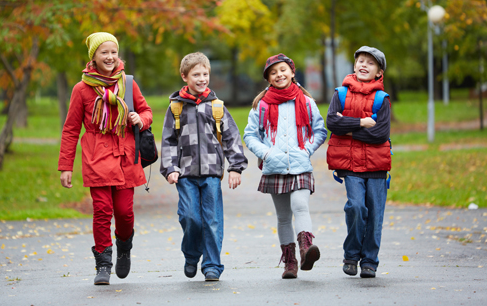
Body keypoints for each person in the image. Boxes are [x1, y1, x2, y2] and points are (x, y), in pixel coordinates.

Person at [58, 32, 152, 285]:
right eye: (104, 52)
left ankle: (124, 246)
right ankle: (103, 263)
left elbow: (146, 111)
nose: (110, 57)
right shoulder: (82, 89)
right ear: (94, 57)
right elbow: (70, 129)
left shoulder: (128, 83)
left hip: (125, 154)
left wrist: (140, 119)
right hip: (96, 155)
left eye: (113, 52)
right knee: (102, 210)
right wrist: (66, 166)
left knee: (124, 212)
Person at [160, 52, 248, 282]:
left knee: (212, 220)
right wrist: (170, 168)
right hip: (185, 175)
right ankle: (191, 254)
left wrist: (235, 167)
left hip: (211, 174)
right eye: (196, 74)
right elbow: (168, 140)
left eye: (205, 74)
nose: (201, 78)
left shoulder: (216, 107)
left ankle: (212, 265)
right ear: (184, 77)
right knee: (190, 217)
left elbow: (232, 137)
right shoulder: (176, 108)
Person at [243, 53, 327, 279]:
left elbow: (320, 131)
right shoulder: (261, 105)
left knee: (300, 205)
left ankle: (306, 248)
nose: (279, 74)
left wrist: (306, 150)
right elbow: (250, 135)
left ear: (292, 72)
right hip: (274, 167)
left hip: (300, 165)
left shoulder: (306, 101)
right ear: (268, 78)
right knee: (282, 216)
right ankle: (290, 262)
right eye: (273, 72)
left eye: (282, 70)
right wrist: (266, 153)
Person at [326, 46, 391, 279]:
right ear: (354, 66)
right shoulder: (340, 94)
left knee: (374, 215)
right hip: (350, 165)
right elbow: (332, 123)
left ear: (379, 72)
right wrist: (362, 123)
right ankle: (351, 255)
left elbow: (380, 134)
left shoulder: (382, 99)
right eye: (360, 61)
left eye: (370, 63)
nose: (364, 65)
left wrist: (349, 129)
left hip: (376, 167)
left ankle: (369, 260)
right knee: (356, 207)